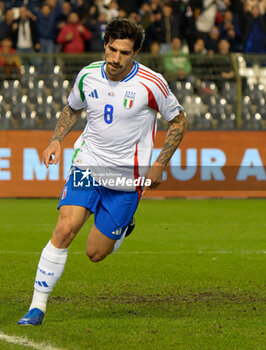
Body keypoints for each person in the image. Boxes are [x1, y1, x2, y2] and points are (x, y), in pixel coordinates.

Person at [17, 17, 187, 326]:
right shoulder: (88, 75)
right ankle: (37, 307)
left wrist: (161, 162)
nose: (115, 59)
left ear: (135, 53)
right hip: (88, 164)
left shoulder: (152, 83)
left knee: (95, 253)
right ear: (104, 44)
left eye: (124, 52)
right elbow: (72, 109)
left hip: (127, 177)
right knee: (65, 228)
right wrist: (56, 140)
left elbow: (178, 121)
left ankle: (123, 226)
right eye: (111, 50)